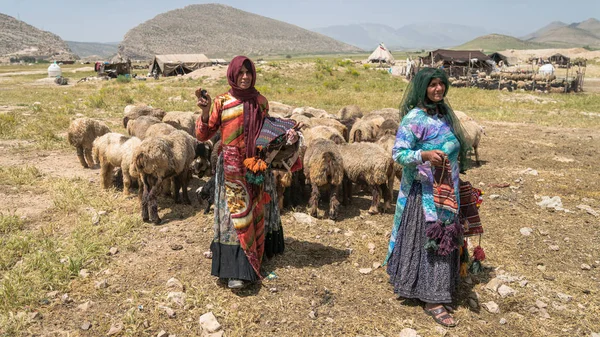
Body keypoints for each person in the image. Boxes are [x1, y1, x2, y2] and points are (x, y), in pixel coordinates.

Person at [384, 67, 471, 327]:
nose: (438, 89)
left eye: (441, 84)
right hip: (423, 194)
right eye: (432, 85)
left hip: (448, 191)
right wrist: (424, 155)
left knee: (445, 238)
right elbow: (398, 154)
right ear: (423, 87)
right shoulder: (414, 118)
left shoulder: (445, 115)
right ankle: (432, 299)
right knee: (430, 239)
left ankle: (440, 288)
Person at [196, 56, 292, 289]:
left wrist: (287, 134)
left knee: (254, 212)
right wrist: (206, 110)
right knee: (233, 216)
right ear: (232, 74)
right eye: (240, 73)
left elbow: (267, 131)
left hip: (254, 168)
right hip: (229, 170)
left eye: (248, 73)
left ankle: (252, 259)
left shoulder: (260, 101)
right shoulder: (221, 102)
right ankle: (234, 269)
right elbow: (203, 135)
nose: (245, 77)